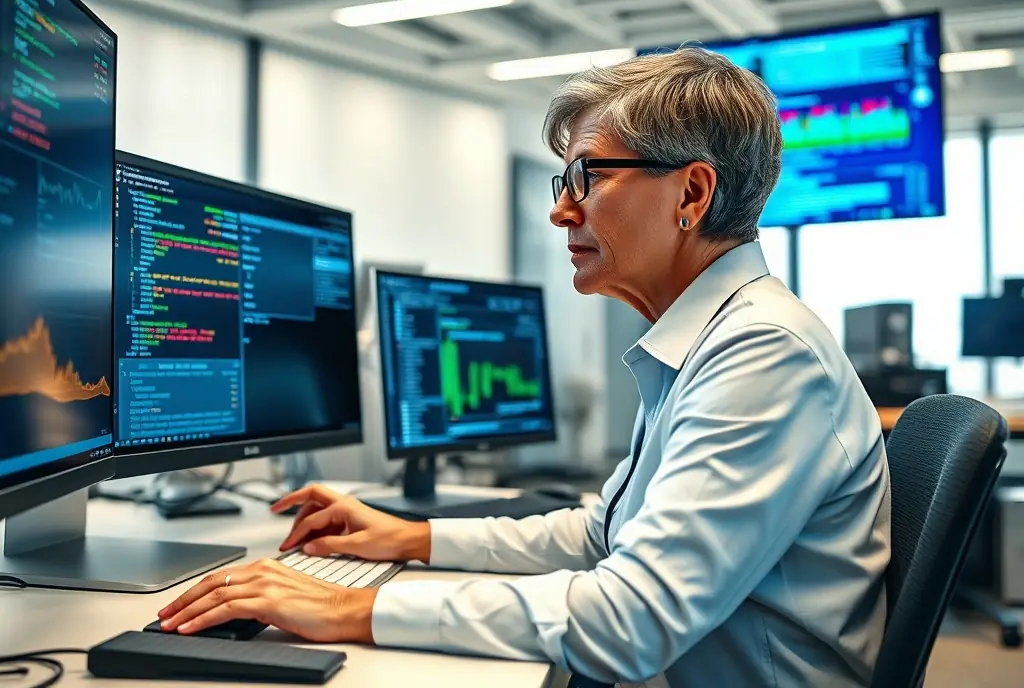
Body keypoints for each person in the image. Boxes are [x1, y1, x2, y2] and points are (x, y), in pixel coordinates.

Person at [157, 47, 890, 687]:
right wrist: (411, 538)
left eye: (587, 177)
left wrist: (356, 606)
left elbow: (633, 619)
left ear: (691, 194)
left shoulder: (762, 353)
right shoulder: (708, 339)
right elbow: (603, 536)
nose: (561, 211)